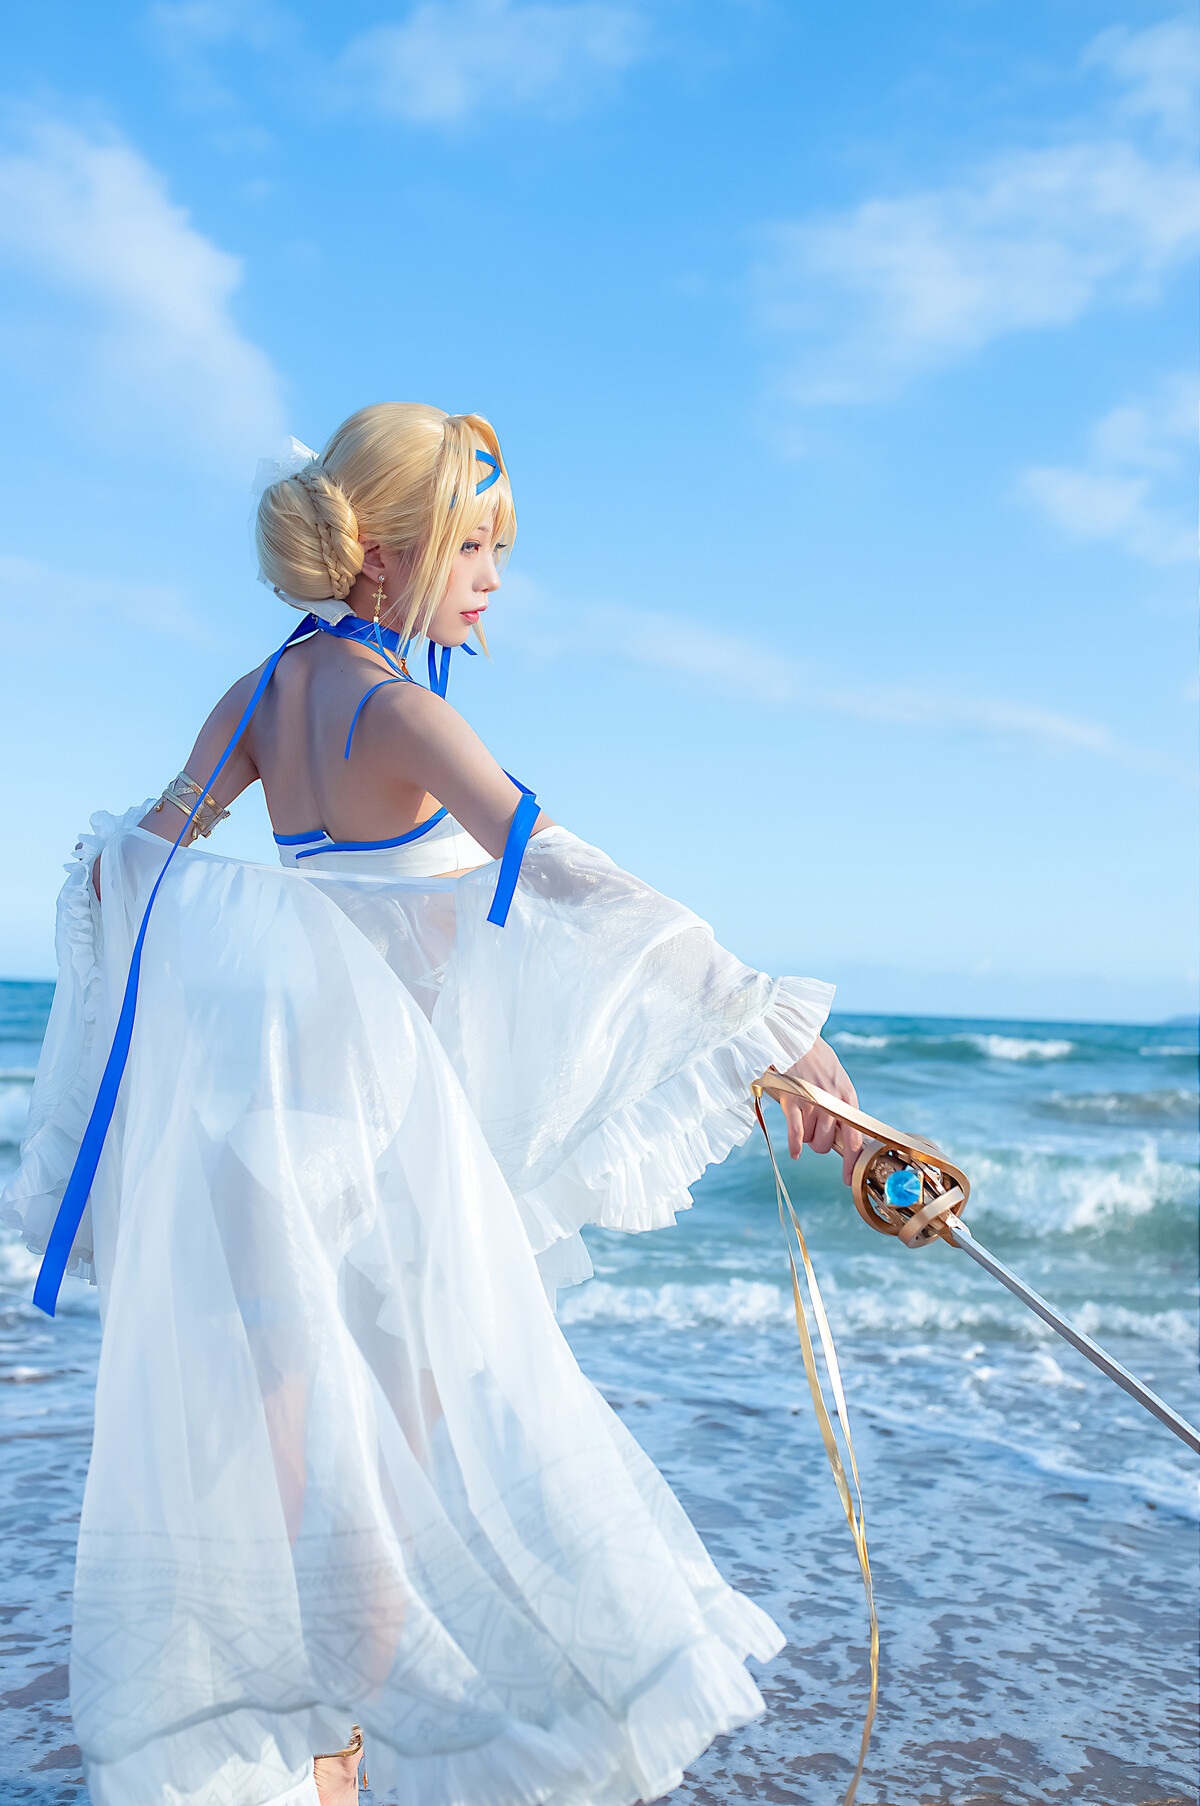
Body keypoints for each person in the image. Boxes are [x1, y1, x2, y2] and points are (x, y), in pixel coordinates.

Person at [2, 403, 861, 1806]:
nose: (494, 579)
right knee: (407, 1499)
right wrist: (760, 1016)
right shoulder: (400, 710)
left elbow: (126, 870)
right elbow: (568, 876)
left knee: (306, 1492)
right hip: (375, 1163)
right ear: (387, 553)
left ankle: (306, 1767)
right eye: (474, 546)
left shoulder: (260, 694)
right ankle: (380, 1765)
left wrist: (251, 963)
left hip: (253, 1152)